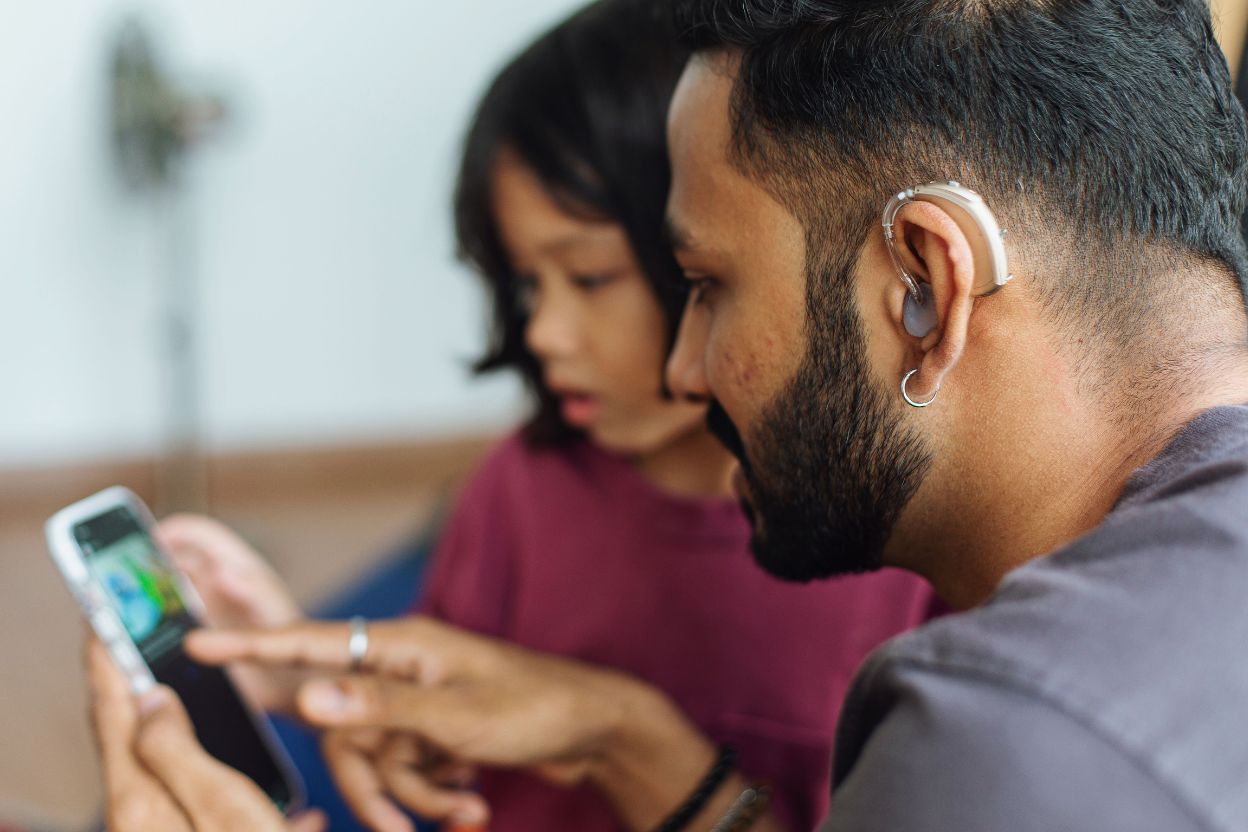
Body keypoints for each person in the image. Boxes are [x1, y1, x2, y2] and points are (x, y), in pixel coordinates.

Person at [88, 0, 1248, 829]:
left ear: (925, 286)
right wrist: (621, 733)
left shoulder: (1004, 740)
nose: (688, 369)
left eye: (703, 283)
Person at [121, 1, 934, 830]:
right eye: (522, 285)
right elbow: (439, 717)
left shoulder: (905, 557)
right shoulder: (517, 491)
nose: (543, 333)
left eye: (589, 280)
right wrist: (304, 673)